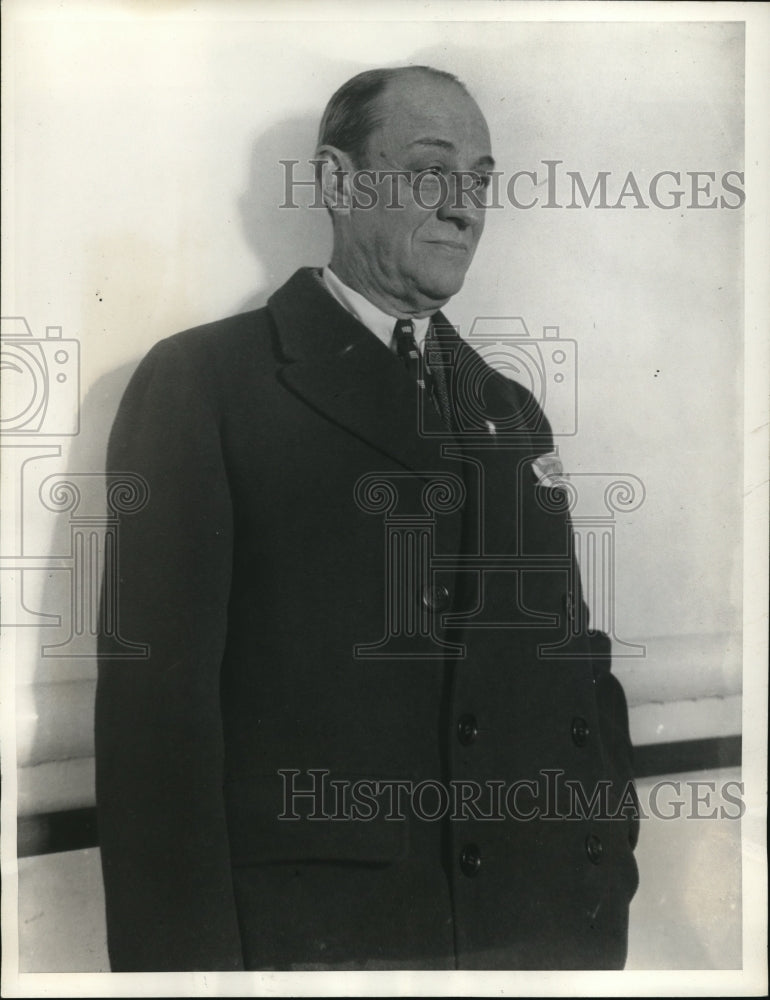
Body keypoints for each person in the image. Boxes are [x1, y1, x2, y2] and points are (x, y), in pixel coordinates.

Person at [95, 65, 639, 972]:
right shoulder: (210, 383)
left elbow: (572, 663)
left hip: (535, 936)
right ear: (338, 184)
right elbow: (157, 729)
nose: (464, 206)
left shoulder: (507, 407)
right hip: (336, 944)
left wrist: (604, 875)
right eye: (433, 169)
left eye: (481, 180)